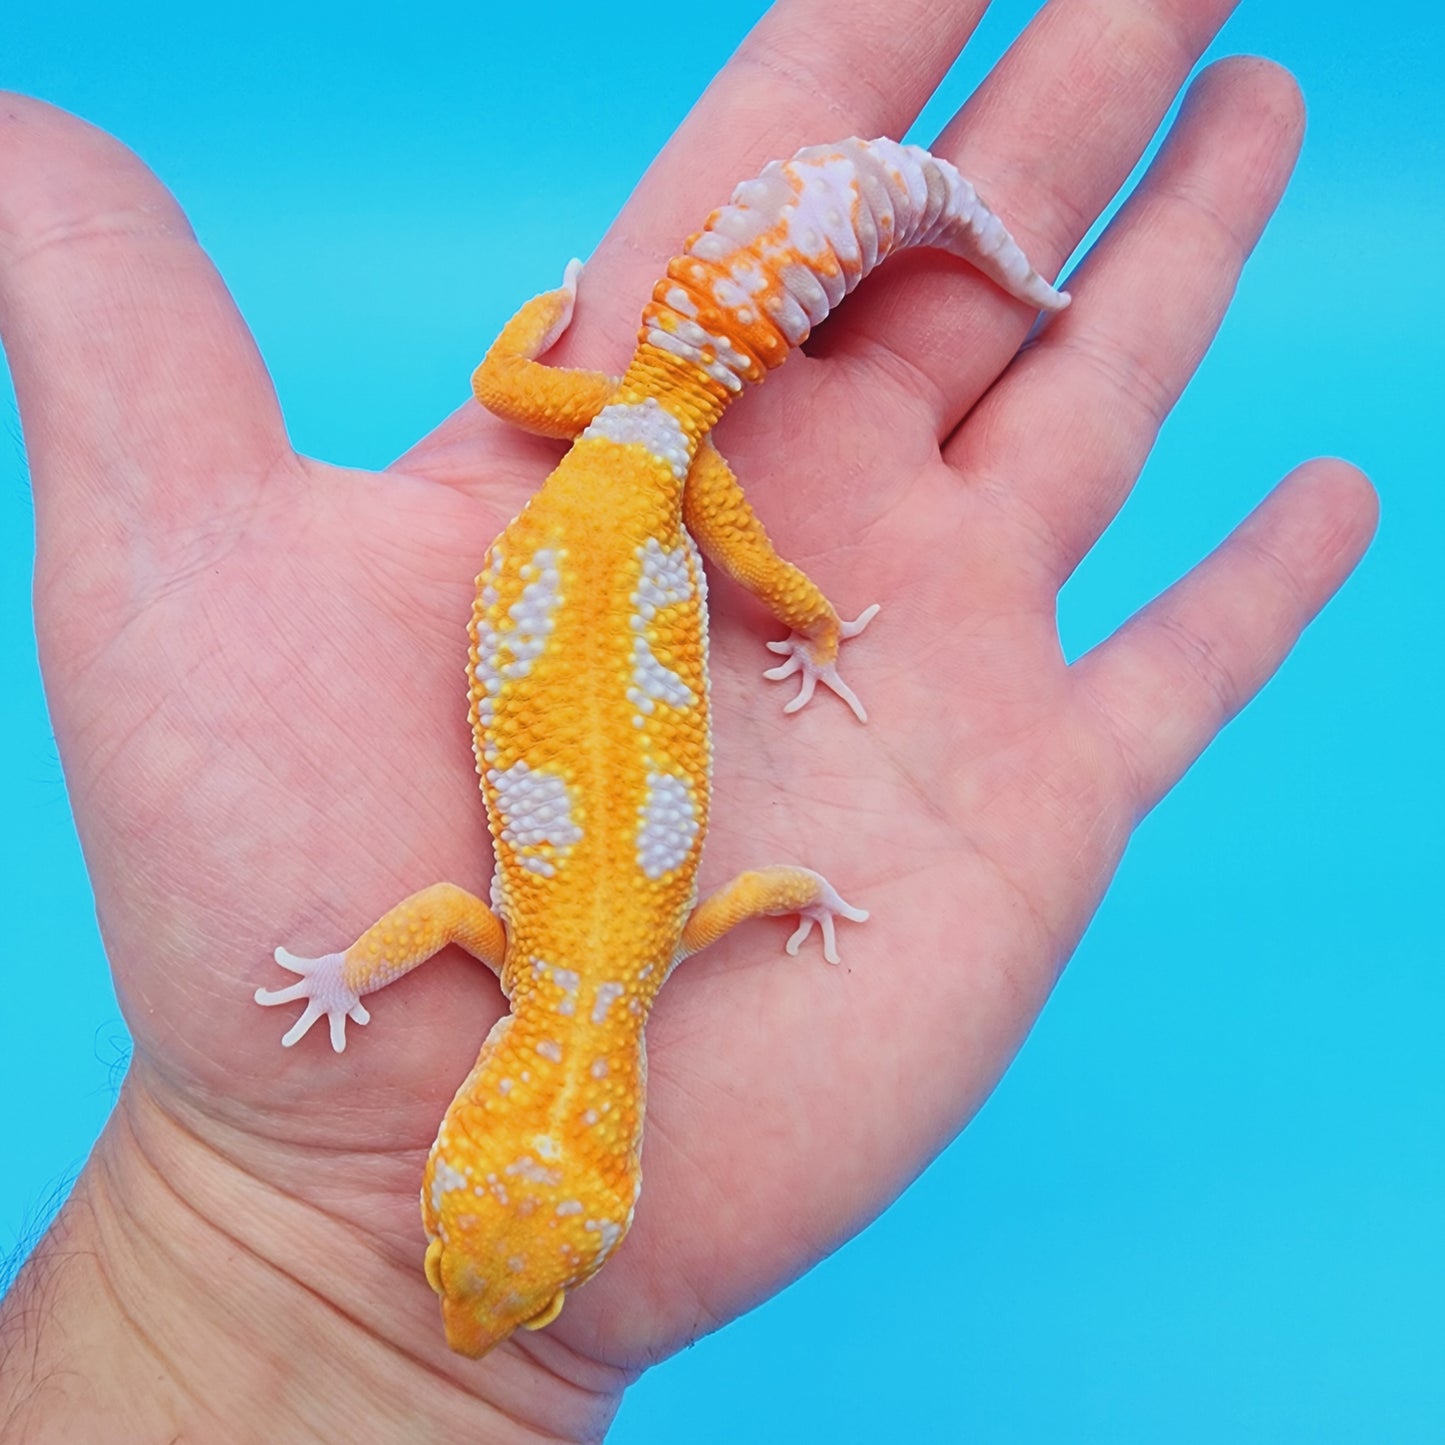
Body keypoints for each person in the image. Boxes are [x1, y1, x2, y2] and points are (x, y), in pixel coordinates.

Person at [0, 0, 1376, 1437]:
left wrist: (803, 890)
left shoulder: (635, 960)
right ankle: (877, 310)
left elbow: (737, 905)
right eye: (507, 1290)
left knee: (677, 499)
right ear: (584, 1162)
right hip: (630, 477)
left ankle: (918, 261)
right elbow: (462, 918)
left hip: (628, 477)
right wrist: (356, 971)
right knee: (521, 404)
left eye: (456, 1271)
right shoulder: (539, 954)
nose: (459, 1317)